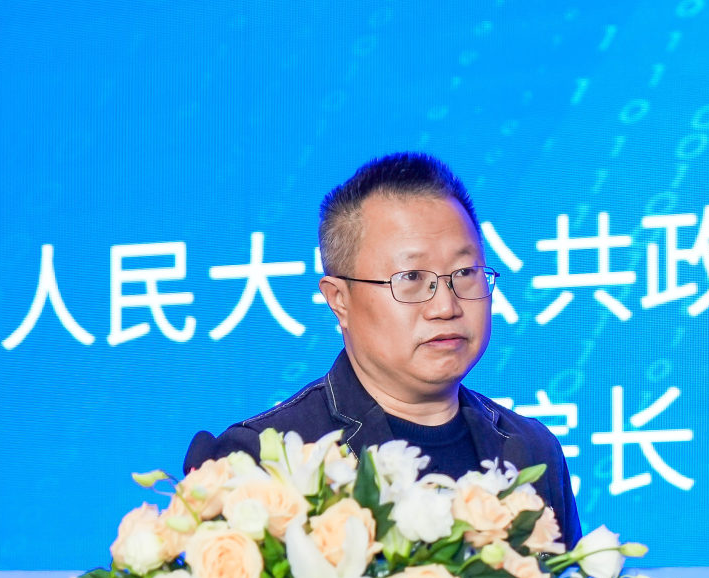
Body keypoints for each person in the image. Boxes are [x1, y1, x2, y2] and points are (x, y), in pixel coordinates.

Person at [183, 152, 582, 547]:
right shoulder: (265, 461)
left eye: (464, 273)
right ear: (339, 300)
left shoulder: (531, 447)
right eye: (411, 277)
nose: (446, 306)